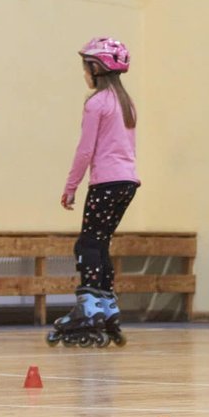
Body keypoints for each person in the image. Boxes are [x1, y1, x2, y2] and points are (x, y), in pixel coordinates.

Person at [51, 37, 140, 347]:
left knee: (87, 244)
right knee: (101, 243)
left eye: (86, 67)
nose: (84, 73)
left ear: (97, 68)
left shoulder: (97, 103)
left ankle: (89, 309)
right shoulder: (126, 103)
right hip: (128, 183)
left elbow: (85, 150)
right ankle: (107, 305)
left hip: (105, 182)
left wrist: (71, 186)